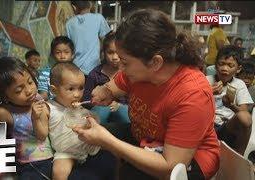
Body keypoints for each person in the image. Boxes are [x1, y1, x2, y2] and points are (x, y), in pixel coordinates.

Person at [73, 9, 220, 180]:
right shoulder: (136, 72)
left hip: (185, 161)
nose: (120, 68)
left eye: (125, 62)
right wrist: (105, 90)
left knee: (124, 168)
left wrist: (109, 142)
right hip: (146, 138)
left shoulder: (193, 95)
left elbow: (169, 166)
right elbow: (113, 87)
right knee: (89, 146)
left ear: (156, 62)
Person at [0, 58, 115, 180]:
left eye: (30, 82)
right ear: (5, 96)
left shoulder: (39, 100)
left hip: (51, 156)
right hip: (30, 163)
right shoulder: (2, 113)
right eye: (19, 90)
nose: (29, 90)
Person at [46, 62, 115, 180]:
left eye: (81, 88)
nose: (77, 94)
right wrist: (37, 117)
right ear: (54, 90)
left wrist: (91, 121)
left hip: (88, 147)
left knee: (113, 156)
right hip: (66, 152)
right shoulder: (49, 107)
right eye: (71, 89)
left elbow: (93, 120)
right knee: (58, 173)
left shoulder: (80, 107)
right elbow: (40, 132)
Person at [207, 45, 253, 155]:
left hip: (226, 127)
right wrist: (208, 92)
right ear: (215, 65)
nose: (224, 68)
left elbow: (243, 111)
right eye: (221, 64)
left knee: (245, 118)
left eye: (230, 65)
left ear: (238, 69)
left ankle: (238, 157)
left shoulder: (239, 84)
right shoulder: (206, 80)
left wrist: (230, 105)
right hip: (206, 125)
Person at [83, 32, 130, 124]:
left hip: (124, 111)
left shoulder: (129, 74)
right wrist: (99, 102)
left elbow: (135, 100)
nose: (115, 57)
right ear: (103, 53)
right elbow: (86, 100)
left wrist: (119, 105)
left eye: (118, 53)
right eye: (110, 52)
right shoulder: (95, 74)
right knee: (102, 111)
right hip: (101, 112)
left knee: (124, 112)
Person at [66, 1, 111, 75]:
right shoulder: (98, 18)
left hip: (75, 68)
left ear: (74, 7)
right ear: (90, 5)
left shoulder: (69, 23)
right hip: (94, 66)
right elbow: (106, 40)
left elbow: (68, 45)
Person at [37, 36, 75, 101]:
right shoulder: (45, 73)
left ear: (72, 55)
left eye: (66, 52)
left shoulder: (75, 73)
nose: (62, 56)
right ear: (52, 55)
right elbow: (44, 95)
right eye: (58, 52)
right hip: (52, 107)